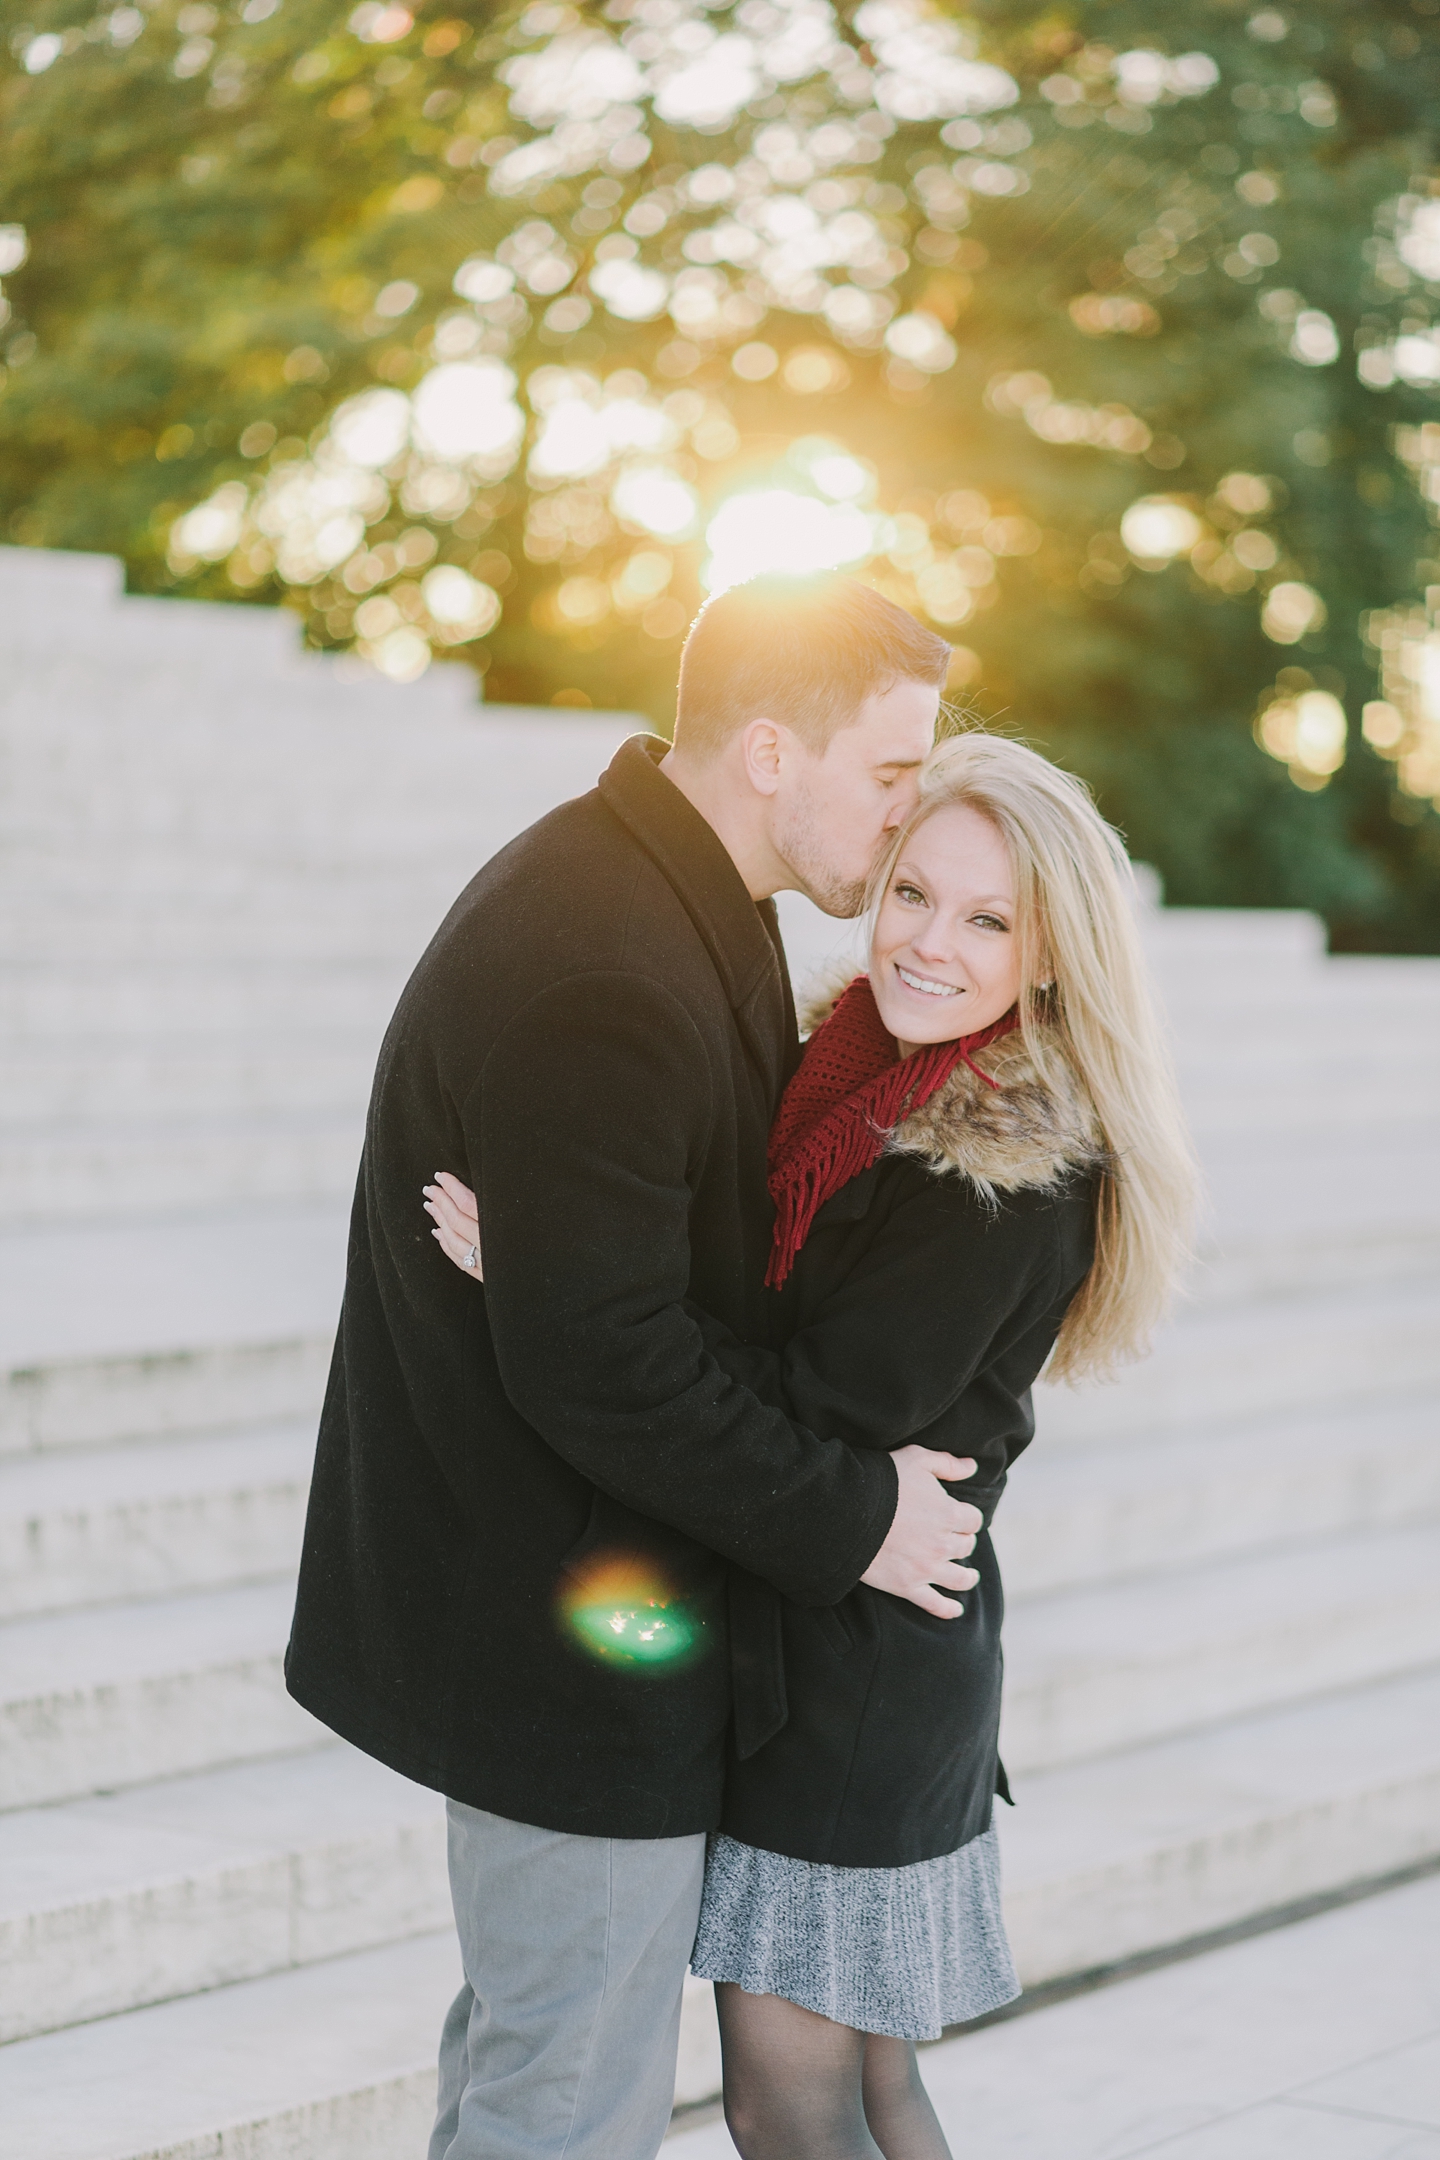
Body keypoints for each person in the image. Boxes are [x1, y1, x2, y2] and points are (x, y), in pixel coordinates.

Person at [285, 573, 984, 2160]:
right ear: (765, 751)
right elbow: (603, 1362)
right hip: (561, 1633)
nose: (907, 811)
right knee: (569, 2101)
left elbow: (630, 1288)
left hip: (583, 1606)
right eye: (889, 772)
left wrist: (548, 1276)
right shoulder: (603, 953)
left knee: (538, 2062)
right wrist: (852, 1515)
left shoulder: (669, 891)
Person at [427, 731, 1196, 2159]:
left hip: (856, 1688)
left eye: (987, 921)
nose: (928, 943)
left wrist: (571, 1279)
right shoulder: (856, 1078)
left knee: (792, 2110)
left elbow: (830, 1406)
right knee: (871, 2095)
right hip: (862, 1649)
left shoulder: (1000, 1165)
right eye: (913, 892)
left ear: (1049, 958)